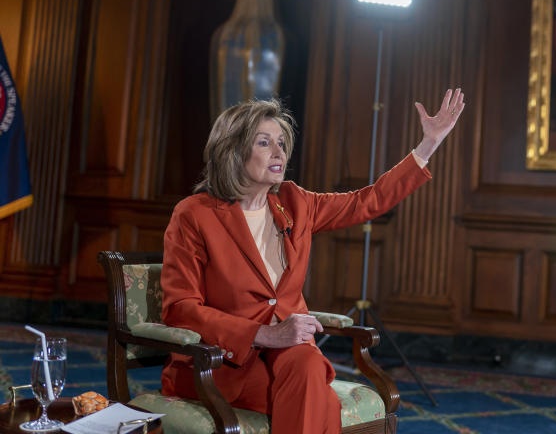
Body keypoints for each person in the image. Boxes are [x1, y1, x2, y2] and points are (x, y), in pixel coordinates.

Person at [160, 89, 465, 433]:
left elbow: (368, 201)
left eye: (281, 142)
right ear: (232, 149)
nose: (279, 153)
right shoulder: (194, 215)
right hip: (221, 364)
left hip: (290, 357)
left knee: (307, 364)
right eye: (264, 143)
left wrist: (428, 144)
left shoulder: (295, 201)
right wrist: (262, 334)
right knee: (319, 399)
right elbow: (181, 308)